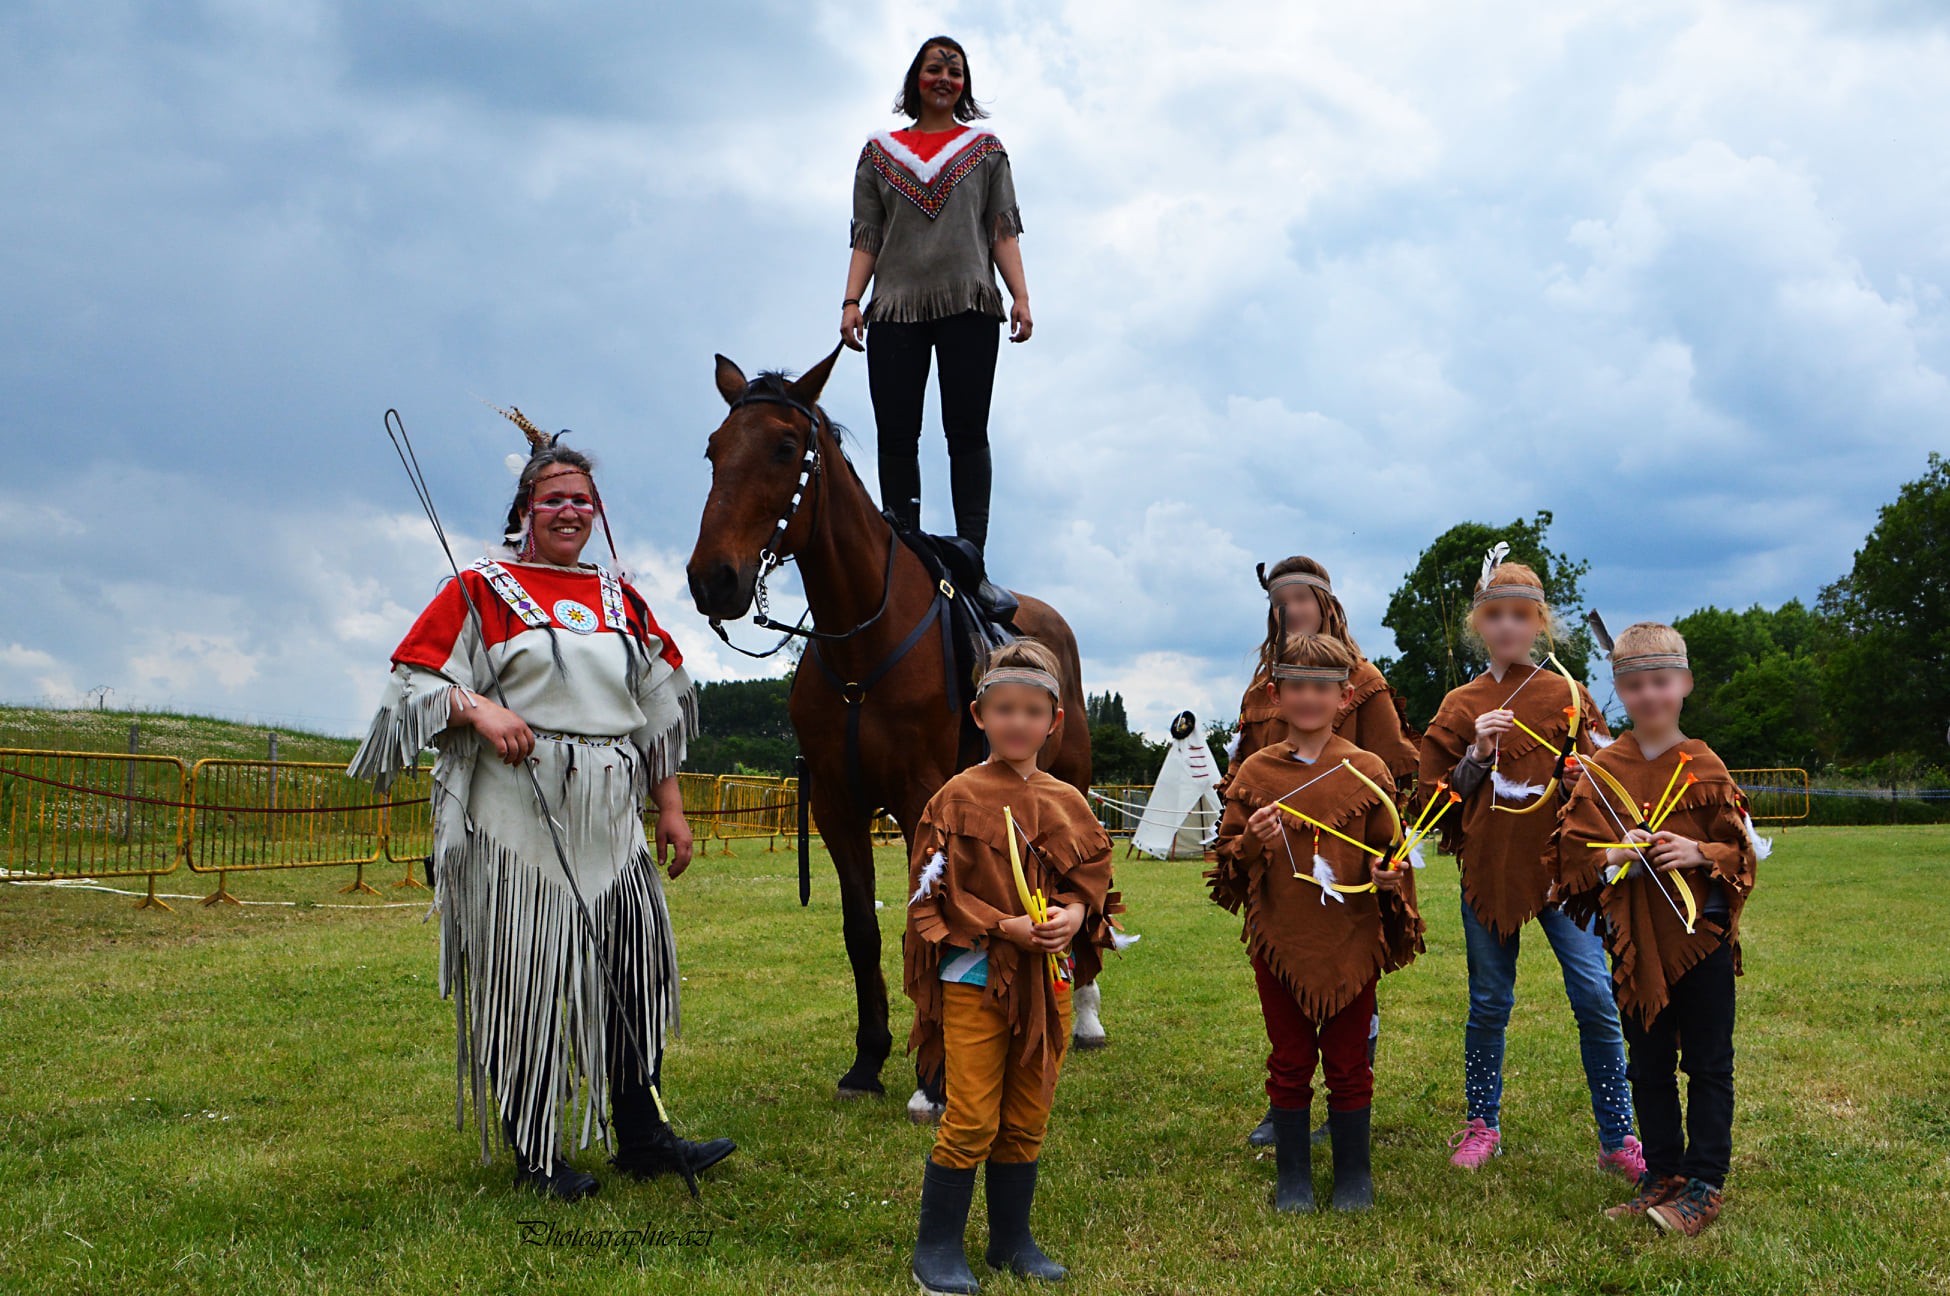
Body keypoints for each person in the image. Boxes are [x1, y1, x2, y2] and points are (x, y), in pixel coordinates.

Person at [348, 409, 733, 1200]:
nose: (569, 512)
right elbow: (412, 683)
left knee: (634, 973)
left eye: (582, 501)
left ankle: (644, 1136)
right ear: (524, 510)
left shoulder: (620, 597)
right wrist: (481, 710)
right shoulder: (479, 589)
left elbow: (658, 709)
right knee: (527, 982)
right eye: (553, 499)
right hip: (516, 821)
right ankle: (537, 1153)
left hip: (610, 816)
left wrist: (671, 807)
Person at [902, 638, 1123, 1293]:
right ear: (979, 715)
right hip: (974, 980)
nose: (1018, 722)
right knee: (971, 1116)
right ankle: (936, 1248)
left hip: (1049, 984)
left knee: (1028, 1114)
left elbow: (1092, 881)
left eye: (1032, 711)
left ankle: (1011, 1240)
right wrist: (1004, 927)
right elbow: (930, 892)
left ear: (1054, 721)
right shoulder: (953, 797)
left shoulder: (1068, 802)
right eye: (1004, 710)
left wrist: (1076, 917)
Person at [1417, 548, 1643, 1178]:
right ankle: (1481, 1123)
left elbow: (1609, 780)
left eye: (1521, 615)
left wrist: (1582, 781)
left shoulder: (1569, 695)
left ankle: (1618, 1135)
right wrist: (1479, 754)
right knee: (1489, 1001)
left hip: (1563, 876)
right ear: (1478, 624)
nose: (1508, 627)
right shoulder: (1461, 706)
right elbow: (1434, 803)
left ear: (1539, 622)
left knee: (1596, 995)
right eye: (1496, 616)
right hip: (1489, 873)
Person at [1553, 622, 1765, 1237]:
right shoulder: (1602, 769)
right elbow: (1568, 858)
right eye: (1635, 684)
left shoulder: (1705, 766)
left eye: (1661, 682)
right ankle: (1663, 1174)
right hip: (1632, 943)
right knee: (1645, 1064)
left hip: (1702, 937)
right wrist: (1614, 855)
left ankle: (1704, 1183)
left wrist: (1700, 853)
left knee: (1706, 1061)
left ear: (1685, 685)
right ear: (1618, 689)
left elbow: (1742, 853)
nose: (1649, 696)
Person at [1207, 633, 1423, 1213]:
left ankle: (1355, 1175)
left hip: (1350, 943)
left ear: (1344, 695)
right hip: (1281, 940)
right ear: (1276, 695)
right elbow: (1227, 862)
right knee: (1290, 1059)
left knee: (1350, 1061)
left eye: (1321, 688)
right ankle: (1294, 1178)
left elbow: (1393, 854)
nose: (1308, 699)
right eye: (1296, 687)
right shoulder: (1255, 772)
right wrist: (1251, 842)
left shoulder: (1368, 768)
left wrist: (1389, 876)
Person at [840, 34, 1031, 555]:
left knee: (966, 429)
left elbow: (1002, 229)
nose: (944, 78)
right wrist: (852, 301)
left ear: (964, 84)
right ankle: (903, 540)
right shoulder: (879, 152)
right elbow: (868, 236)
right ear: (915, 80)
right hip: (896, 306)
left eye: (955, 70)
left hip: (970, 303)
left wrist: (1020, 296)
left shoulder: (986, 149)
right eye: (934, 69)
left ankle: (973, 549)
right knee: (896, 432)